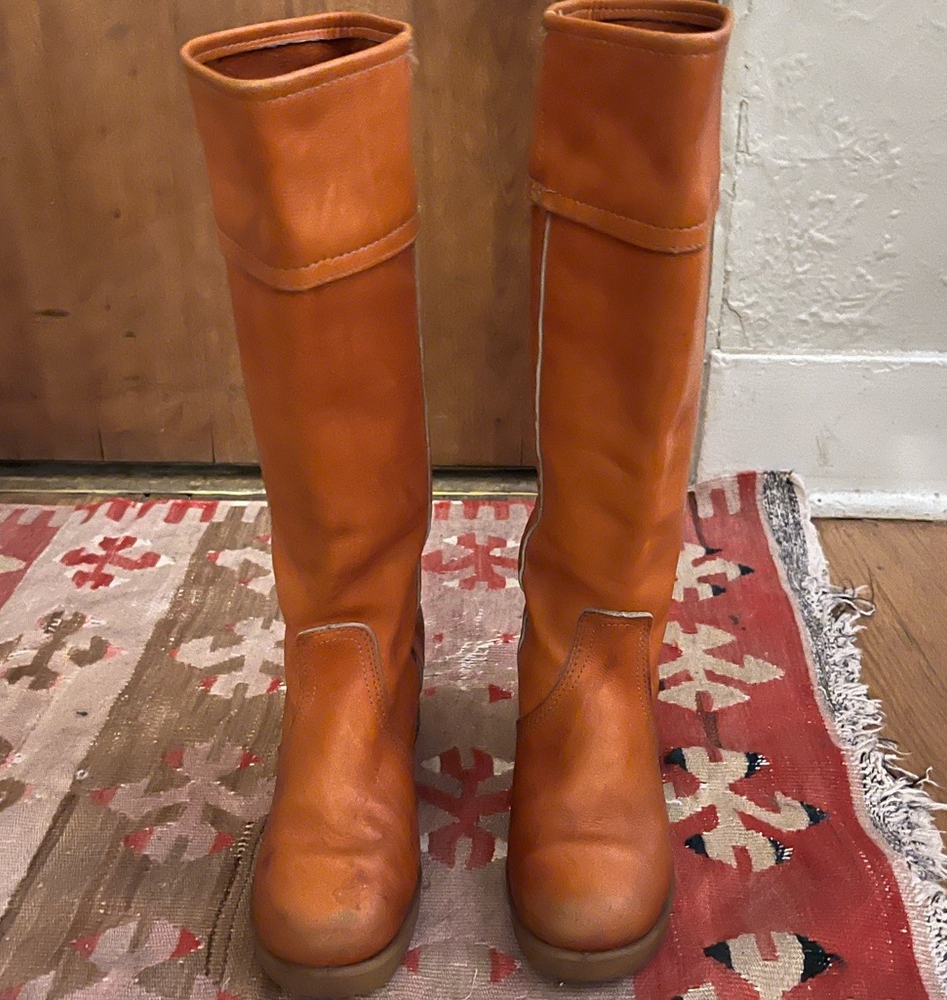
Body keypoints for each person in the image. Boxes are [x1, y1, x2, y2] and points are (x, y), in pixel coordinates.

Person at [180, 3, 732, 995]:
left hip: (599, 641)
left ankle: (592, 677)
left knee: (646, 105)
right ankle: (357, 668)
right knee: (298, 157)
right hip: (347, 646)